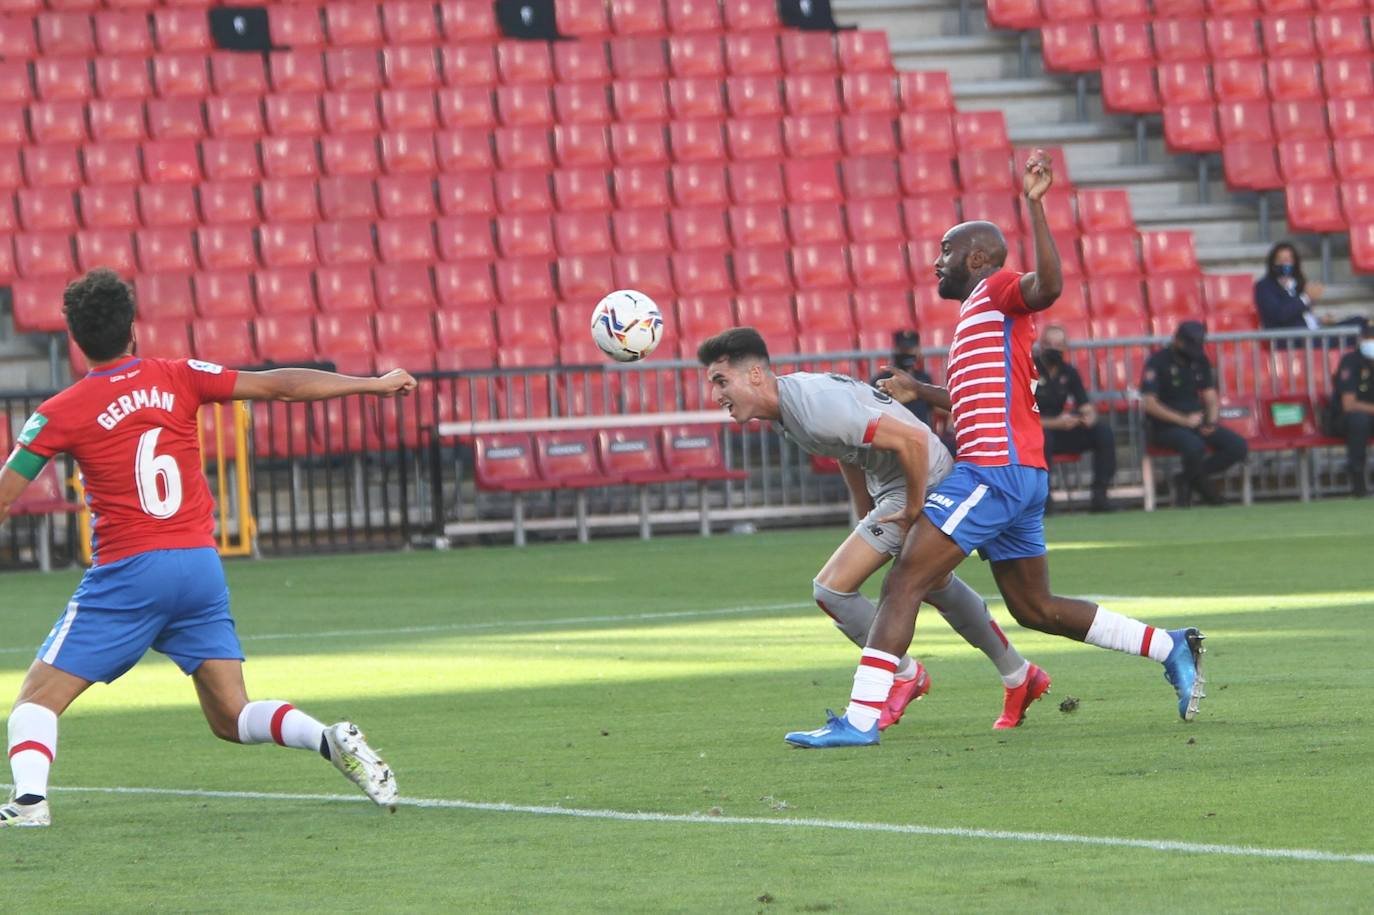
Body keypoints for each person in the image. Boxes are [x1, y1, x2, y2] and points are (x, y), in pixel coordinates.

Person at [782, 149, 1206, 749]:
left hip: (993, 473)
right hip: (1019, 473)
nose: (936, 263)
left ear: (977, 259)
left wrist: (1036, 207)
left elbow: (1049, 285)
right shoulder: (975, 324)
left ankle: (860, 718)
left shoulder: (998, 290)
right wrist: (919, 391)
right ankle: (1171, 646)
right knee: (1035, 608)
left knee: (904, 582)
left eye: (946, 253)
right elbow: (978, 400)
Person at [0, 269, 415, 827]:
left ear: (75, 340)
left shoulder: (59, 411)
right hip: (197, 566)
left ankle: (28, 803)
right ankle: (327, 737)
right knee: (231, 715)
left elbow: (6, 494)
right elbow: (280, 386)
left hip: (131, 570)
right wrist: (372, 383)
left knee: (36, 699)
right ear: (133, 330)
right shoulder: (180, 376)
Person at [697, 327, 1044, 731]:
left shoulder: (812, 407)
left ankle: (903, 674)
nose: (716, 395)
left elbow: (913, 439)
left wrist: (913, 506)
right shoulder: (789, 406)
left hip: (920, 477)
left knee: (831, 589)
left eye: (722, 381)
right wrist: (866, 513)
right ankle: (1020, 675)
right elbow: (846, 449)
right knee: (934, 583)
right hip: (898, 485)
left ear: (755, 374)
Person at [1141, 321, 1248, 508]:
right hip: (1165, 425)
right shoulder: (1157, 362)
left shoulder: (1199, 359)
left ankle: (1186, 479)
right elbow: (1149, 404)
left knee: (1237, 446)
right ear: (1176, 340)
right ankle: (1207, 493)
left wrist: (1211, 422)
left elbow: (1210, 396)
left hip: (1196, 421)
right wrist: (1183, 420)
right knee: (1194, 446)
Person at [1034, 324, 1115, 512]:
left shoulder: (1068, 372)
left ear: (1065, 347)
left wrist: (1089, 417)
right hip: (1036, 432)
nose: (1054, 349)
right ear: (1041, 346)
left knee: (1103, 433)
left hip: (1062, 431)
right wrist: (1057, 423)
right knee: (1043, 436)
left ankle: (1099, 496)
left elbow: (1085, 405)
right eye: (1050, 344)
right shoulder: (1030, 371)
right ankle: (1044, 501)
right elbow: (1021, 416)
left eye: (1059, 344)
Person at [1330, 322, 1374, 497]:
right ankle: (1357, 479)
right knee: (1359, 419)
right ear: (1361, 340)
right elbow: (1349, 404)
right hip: (1345, 420)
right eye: (1370, 338)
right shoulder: (1351, 362)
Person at [1254, 242, 1324, 332]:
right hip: (1295, 340)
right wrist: (1306, 298)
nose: (1285, 264)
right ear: (1272, 263)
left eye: (1288, 260)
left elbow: (1300, 317)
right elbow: (1280, 314)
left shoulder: (1298, 283)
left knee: (1348, 323)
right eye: (1280, 260)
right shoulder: (1264, 287)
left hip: (1313, 332)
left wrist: (1319, 320)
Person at [870, 330, 934, 427]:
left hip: (921, 434)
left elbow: (934, 407)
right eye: (903, 349)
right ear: (895, 350)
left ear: (918, 350)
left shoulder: (924, 378)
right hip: (894, 435)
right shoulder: (881, 380)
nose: (906, 352)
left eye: (910, 349)